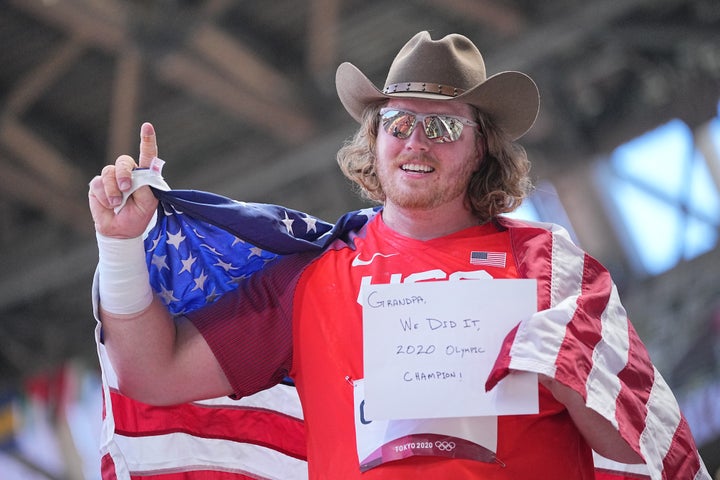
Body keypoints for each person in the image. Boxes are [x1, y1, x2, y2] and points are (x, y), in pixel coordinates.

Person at [88, 31, 708, 479]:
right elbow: (154, 374)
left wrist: (571, 371)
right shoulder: (309, 279)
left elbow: (637, 452)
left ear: (482, 148)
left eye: (442, 127)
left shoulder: (548, 265)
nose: (416, 141)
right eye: (399, 122)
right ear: (375, 140)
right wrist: (119, 247)